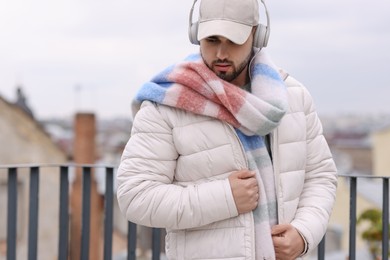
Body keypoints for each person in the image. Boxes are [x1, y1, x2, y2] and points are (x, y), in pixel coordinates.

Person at [116, 0, 338, 259]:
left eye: (233, 40)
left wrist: (303, 234)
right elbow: (135, 196)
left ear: (257, 34)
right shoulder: (166, 103)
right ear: (195, 35)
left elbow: (320, 176)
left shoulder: (293, 98)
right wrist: (226, 197)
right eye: (211, 40)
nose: (221, 53)